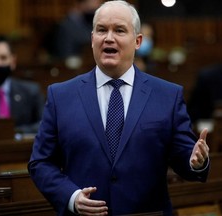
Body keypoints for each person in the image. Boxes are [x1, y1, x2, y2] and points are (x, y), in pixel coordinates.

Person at [28, 1, 210, 215]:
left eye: (120, 30)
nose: (109, 38)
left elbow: (185, 158)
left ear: (138, 41)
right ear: (92, 38)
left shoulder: (167, 95)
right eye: (102, 30)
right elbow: (40, 163)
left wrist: (197, 162)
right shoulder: (61, 95)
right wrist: (71, 196)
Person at [0, 35, 44, 134]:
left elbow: (43, 124)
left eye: (3, 58)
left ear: (13, 61)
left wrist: (12, 133)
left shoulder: (30, 92)